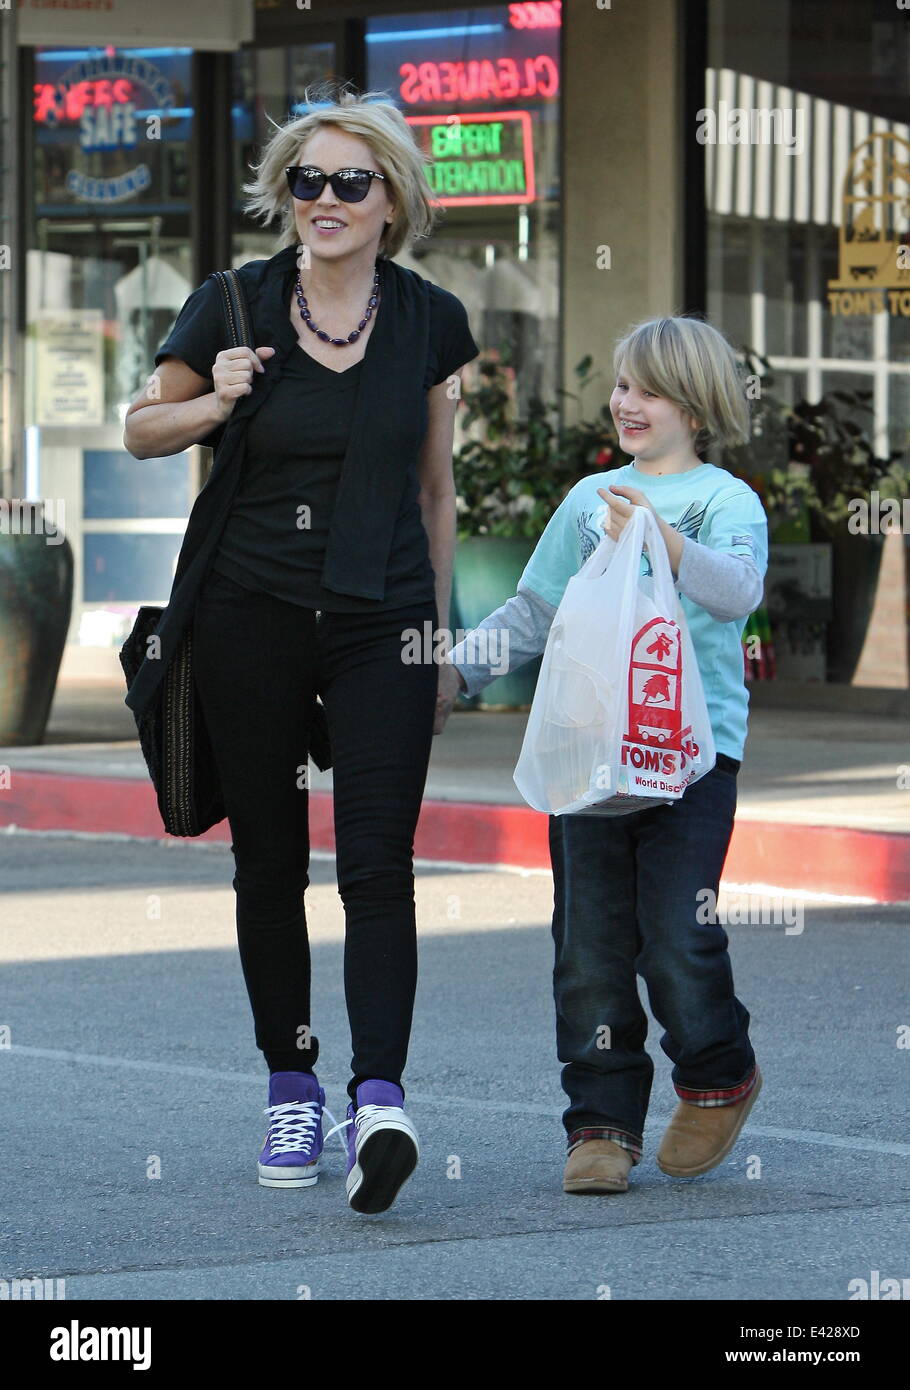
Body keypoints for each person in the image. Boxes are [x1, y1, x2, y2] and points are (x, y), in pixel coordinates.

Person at [123, 87, 479, 1214]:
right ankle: (291, 1080)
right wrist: (212, 403)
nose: (322, 201)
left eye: (347, 184)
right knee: (269, 862)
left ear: (391, 203)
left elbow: (435, 488)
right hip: (247, 616)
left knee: (379, 862)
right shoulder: (231, 303)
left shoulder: (428, 319)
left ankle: (379, 1095)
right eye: (305, 182)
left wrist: (440, 635)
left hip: (381, 622)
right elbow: (139, 426)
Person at [439, 316, 768, 1194]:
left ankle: (717, 1076)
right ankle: (601, 1125)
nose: (625, 402)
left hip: (694, 764)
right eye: (621, 385)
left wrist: (666, 539)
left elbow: (736, 593)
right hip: (589, 757)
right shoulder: (589, 502)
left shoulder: (725, 502)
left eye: (647, 389)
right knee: (587, 949)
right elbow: (534, 613)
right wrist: (445, 677)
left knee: (676, 936)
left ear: (695, 406)